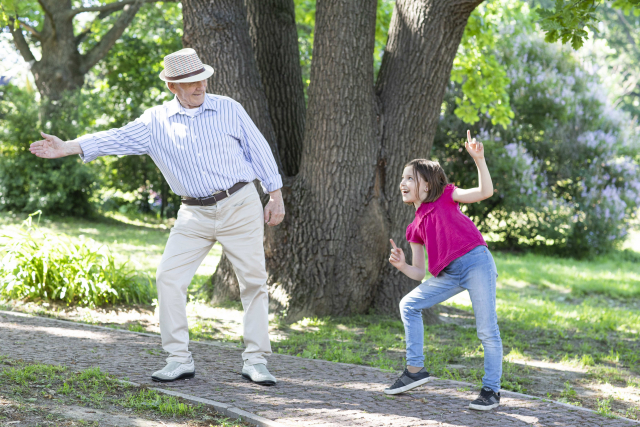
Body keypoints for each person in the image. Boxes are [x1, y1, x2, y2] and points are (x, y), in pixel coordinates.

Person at [29, 48, 284, 386]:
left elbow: (259, 147)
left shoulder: (228, 108)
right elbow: (115, 137)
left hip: (239, 203)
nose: (199, 86)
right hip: (193, 212)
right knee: (168, 277)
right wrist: (70, 146)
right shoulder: (156, 121)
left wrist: (275, 193)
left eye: (201, 78)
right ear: (172, 87)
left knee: (252, 282)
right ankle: (178, 358)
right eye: (190, 82)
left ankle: (255, 361)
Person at [384, 130, 502, 411]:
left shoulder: (448, 196)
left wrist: (479, 159)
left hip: (476, 263)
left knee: (487, 330)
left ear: (427, 184)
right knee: (409, 304)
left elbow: (485, 192)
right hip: (448, 274)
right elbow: (419, 274)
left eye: (410, 178)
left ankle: (491, 390)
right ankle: (415, 371)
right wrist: (402, 265)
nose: (403, 182)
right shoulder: (413, 227)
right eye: (402, 178)